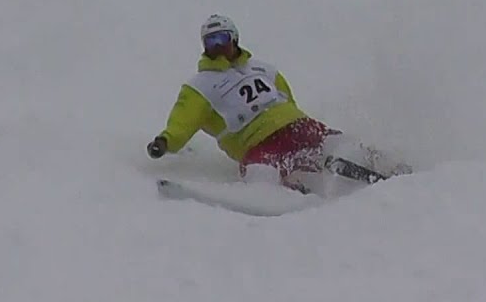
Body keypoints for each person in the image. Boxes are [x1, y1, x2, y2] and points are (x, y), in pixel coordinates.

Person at [146, 14, 403, 190]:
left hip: (295, 126)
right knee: (261, 174)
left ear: (234, 39)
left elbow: (287, 98)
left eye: (222, 39)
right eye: (210, 42)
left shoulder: (262, 68)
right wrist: (165, 141)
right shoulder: (200, 85)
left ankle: (386, 165)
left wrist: (294, 119)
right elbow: (183, 120)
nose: (217, 47)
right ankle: (292, 189)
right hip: (256, 142)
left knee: (337, 144)